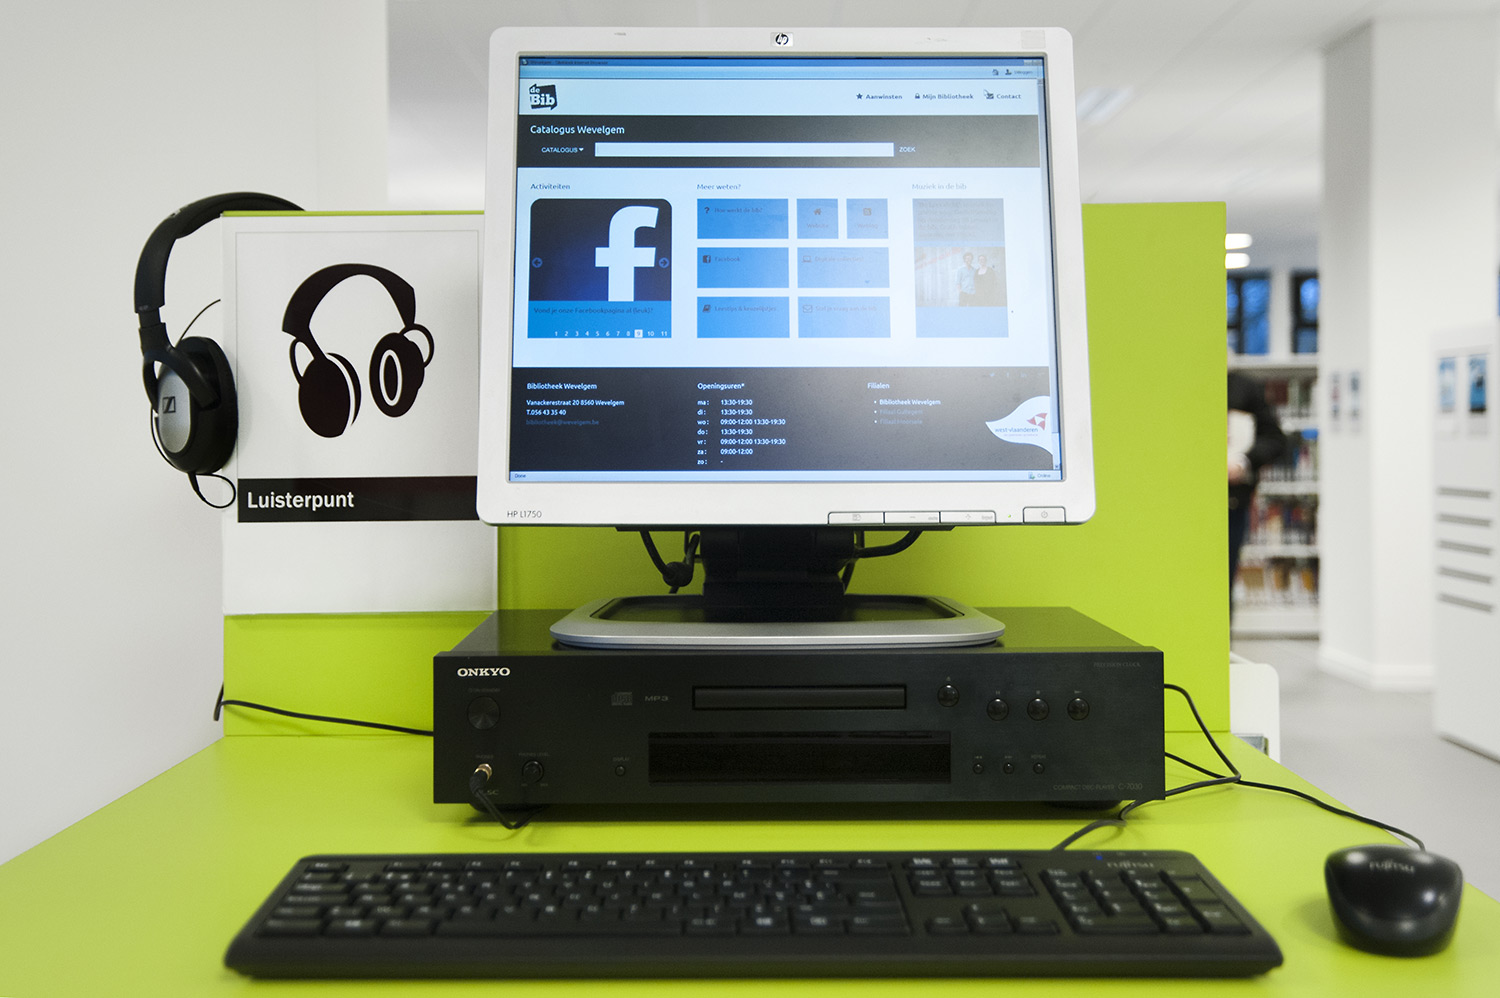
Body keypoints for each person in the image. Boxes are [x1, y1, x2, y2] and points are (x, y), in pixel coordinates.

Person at [1228, 371, 1286, 602]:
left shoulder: (1244, 388)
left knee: (1222, 581)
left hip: (1231, 504)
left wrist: (1243, 462)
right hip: (1183, 504)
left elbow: (1275, 439)